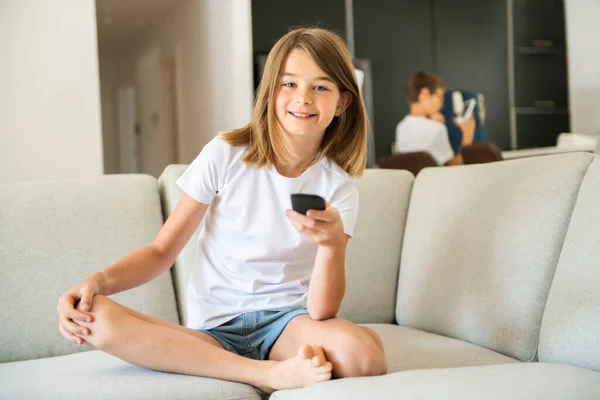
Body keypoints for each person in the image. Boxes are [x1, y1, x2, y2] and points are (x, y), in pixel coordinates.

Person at [56, 28, 387, 394]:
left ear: (342, 103)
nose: (303, 98)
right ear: (270, 91)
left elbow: (322, 311)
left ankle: (257, 365)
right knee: (96, 318)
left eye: (321, 87)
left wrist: (332, 246)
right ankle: (262, 374)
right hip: (212, 329)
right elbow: (161, 252)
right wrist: (99, 281)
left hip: (286, 325)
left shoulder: (338, 187)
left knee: (365, 357)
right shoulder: (226, 153)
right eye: (289, 84)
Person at [395, 71, 475, 165]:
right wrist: (467, 135)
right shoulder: (436, 129)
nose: (442, 104)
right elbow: (456, 167)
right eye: (440, 97)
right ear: (425, 94)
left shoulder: (401, 127)